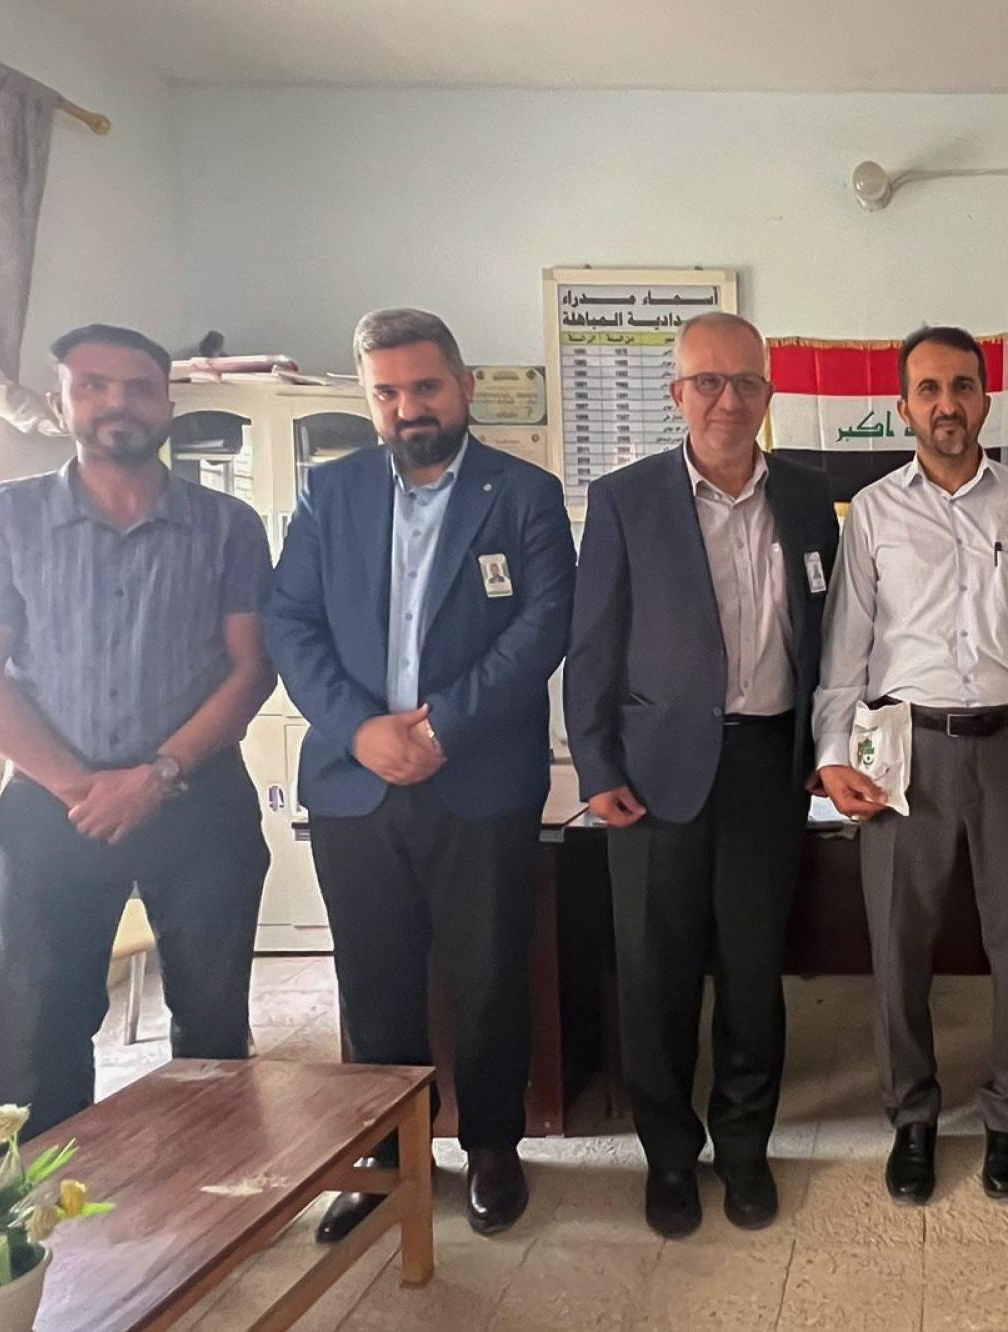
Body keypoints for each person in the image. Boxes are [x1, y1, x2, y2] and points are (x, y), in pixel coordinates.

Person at [264, 308, 574, 1239]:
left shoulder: (524, 493)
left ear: (465, 387)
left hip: (479, 781)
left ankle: (493, 1147)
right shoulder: (331, 493)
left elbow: (543, 627)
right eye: (387, 393)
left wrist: (442, 727)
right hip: (355, 784)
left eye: (426, 386)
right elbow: (290, 623)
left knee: (489, 977)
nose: (408, 408)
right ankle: (389, 1158)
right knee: (374, 983)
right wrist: (361, 729)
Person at [0, 324, 274, 1138]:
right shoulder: (5, 517)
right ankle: (55, 1206)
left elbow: (250, 670)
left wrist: (155, 776)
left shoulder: (227, 525)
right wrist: (80, 787)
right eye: (91, 385)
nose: (115, 403)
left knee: (213, 1024)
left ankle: (211, 1190)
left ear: (167, 404)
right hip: (51, 806)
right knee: (41, 1027)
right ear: (60, 403)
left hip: (198, 799)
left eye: (137, 387)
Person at [566, 312, 839, 1238]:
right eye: (709, 383)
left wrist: (827, 748)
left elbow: (828, 632)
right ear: (677, 394)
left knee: (754, 975)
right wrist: (595, 764)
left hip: (768, 766)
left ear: (768, 394)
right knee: (657, 977)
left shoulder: (806, 496)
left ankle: (745, 1148)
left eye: (746, 383)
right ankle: (671, 1157)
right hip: (652, 776)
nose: (728, 400)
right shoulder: (626, 499)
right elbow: (591, 644)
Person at [814, 325, 1008, 1204]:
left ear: (985, 400)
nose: (947, 404)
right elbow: (846, 650)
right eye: (929, 389)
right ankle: (913, 1115)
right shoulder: (874, 513)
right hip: (906, 751)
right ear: (903, 407)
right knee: (899, 941)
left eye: (962, 387)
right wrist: (832, 755)